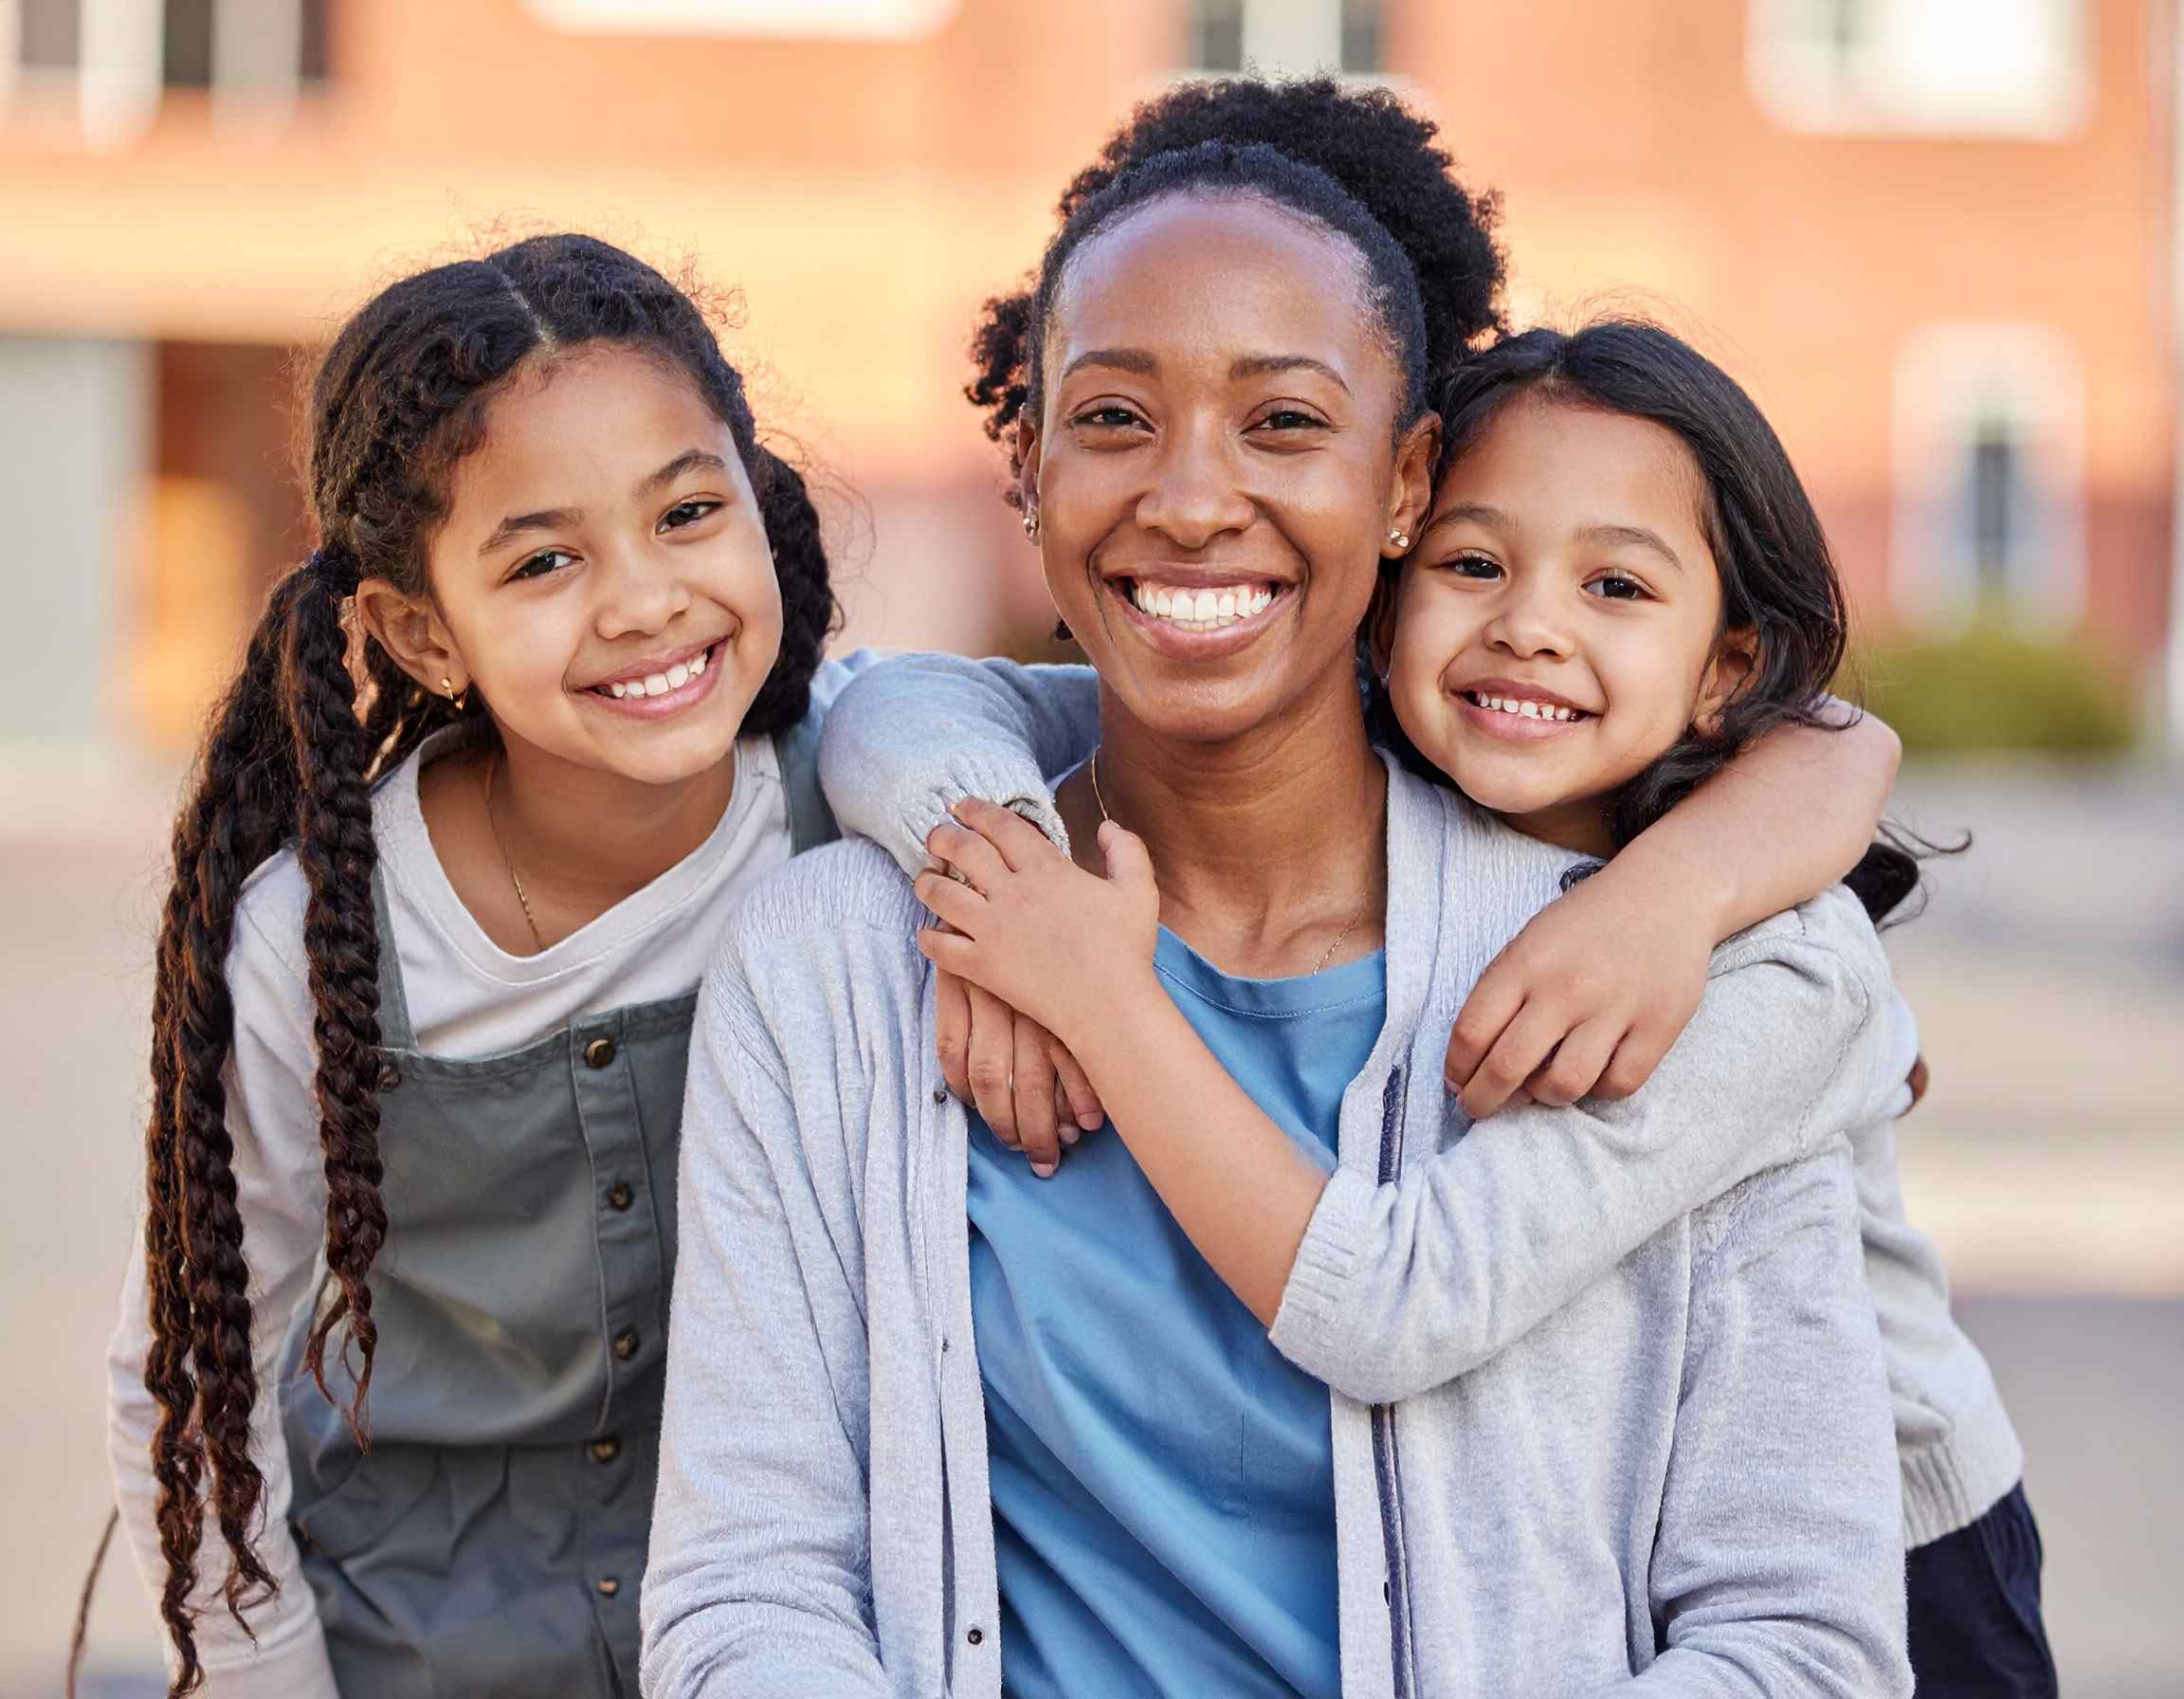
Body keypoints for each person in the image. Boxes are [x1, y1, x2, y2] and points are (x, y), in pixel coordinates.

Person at [645, 135, 1911, 1695]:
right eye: (1112, 418)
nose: (1188, 499)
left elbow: (1801, 1647)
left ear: (1404, 484)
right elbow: (747, 1594)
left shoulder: (1673, 973)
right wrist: (989, 863)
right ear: (1025, 474)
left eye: (1284, 423)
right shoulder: (833, 965)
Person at [909, 320, 2050, 1697]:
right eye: (1473, 564)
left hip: (1904, 1560)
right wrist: (995, 857)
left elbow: (1401, 1301)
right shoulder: (1402, 817)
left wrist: (1097, 996)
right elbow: (897, 708)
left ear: (1728, 666)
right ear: (1389, 578)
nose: (1531, 623)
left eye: (1617, 584)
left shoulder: (1773, 973)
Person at [99, 233, 1084, 1698]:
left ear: (762, 507)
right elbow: (191, 1382)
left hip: (800, 1639)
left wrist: (1572, 893)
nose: (642, 601)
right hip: (412, 1657)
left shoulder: (856, 789)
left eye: (688, 512)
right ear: (421, 632)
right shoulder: (320, 942)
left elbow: (1234, 731)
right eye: (546, 558)